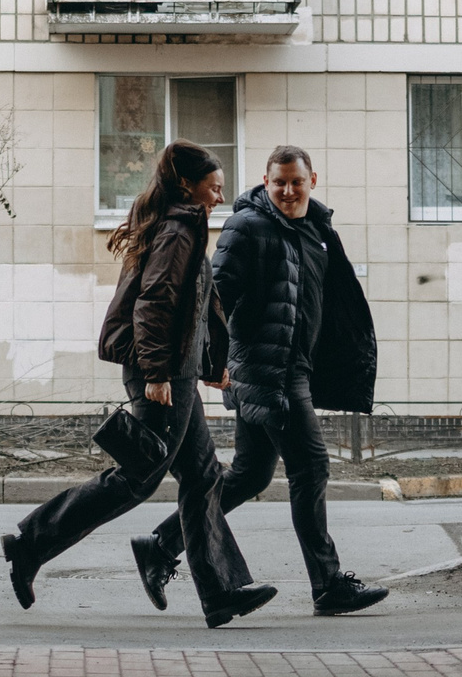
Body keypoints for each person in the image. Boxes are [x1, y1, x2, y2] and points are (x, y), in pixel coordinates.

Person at [0, 141, 279, 629]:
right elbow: (154, 304)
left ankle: (222, 592)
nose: (220, 196)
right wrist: (154, 374)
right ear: (189, 186)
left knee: (204, 476)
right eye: (214, 188)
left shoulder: (182, 225)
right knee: (136, 477)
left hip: (178, 372)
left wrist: (210, 364)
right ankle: (30, 545)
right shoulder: (178, 228)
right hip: (164, 374)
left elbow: (196, 304)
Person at [134, 145, 389, 617]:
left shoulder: (317, 228)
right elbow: (215, 298)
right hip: (265, 370)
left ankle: (161, 544)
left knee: (250, 474)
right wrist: (214, 362)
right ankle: (328, 584)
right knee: (311, 468)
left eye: (296, 181)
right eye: (279, 183)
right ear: (266, 182)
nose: (288, 191)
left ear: (314, 178)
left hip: (294, 368)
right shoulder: (247, 226)